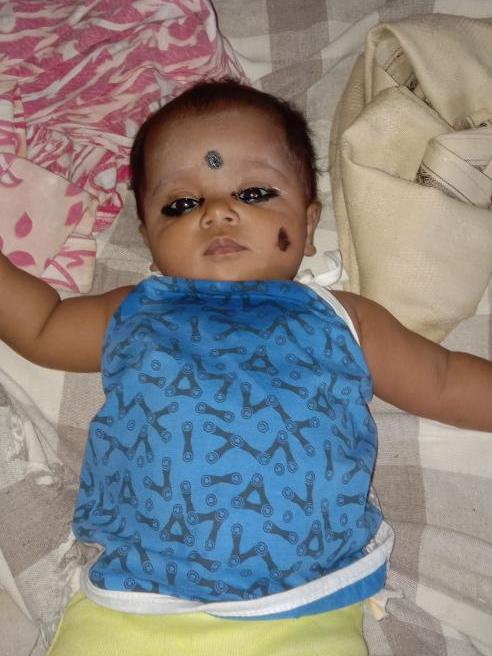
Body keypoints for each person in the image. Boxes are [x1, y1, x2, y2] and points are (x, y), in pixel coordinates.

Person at [1, 79, 491, 656]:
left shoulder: (339, 316)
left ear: (308, 223)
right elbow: (42, 325)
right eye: (181, 205)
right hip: (133, 605)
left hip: (306, 608)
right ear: (149, 238)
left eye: (254, 193)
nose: (218, 212)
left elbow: (442, 380)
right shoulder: (137, 311)